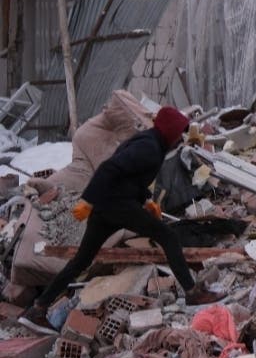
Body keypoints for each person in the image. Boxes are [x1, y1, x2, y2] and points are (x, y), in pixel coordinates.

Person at [19, 106, 220, 333]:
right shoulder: (149, 147)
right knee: (168, 237)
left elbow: (131, 178)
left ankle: (38, 307)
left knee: (82, 261)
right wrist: (88, 200)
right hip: (116, 204)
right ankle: (192, 293)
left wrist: (146, 201)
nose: (180, 139)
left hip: (109, 206)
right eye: (178, 133)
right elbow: (109, 168)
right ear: (170, 131)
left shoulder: (150, 142)